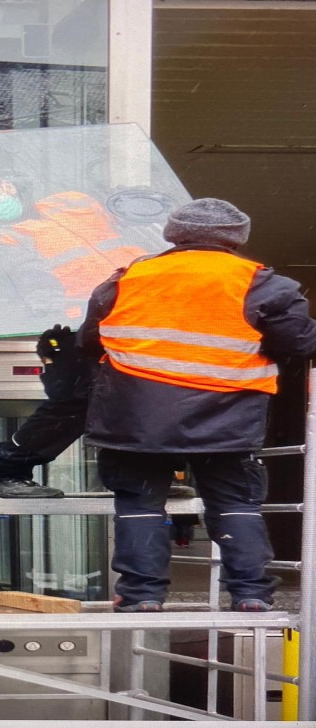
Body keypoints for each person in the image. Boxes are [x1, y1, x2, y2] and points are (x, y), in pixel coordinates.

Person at [77, 197, 316, 612]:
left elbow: (88, 341)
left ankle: (142, 596)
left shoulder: (127, 278)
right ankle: (251, 594)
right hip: (228, 421)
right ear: (237, 238)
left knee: (139, 507)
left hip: (135, 419)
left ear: (173, 234)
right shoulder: (262, 284)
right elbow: (301, 342)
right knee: (236, 506)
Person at [0, 174, 147, 498]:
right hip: (72, 332)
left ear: (5, 185)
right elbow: (27, 274)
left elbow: (133, 217)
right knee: (76, 403)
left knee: (138, 397)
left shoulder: (72, 200)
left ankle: (144, 476)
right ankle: (1, 472)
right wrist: (41, 297)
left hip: (134, 322)